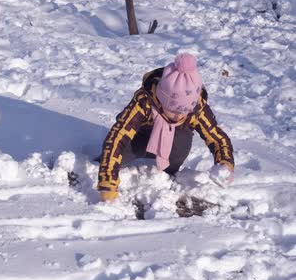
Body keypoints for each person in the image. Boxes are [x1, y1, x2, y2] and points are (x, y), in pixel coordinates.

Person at [96, 53, 234, 202]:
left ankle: (167, 174)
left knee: (183, 138)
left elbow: (217, 138)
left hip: (173, 142)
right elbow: (118, 135)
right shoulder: (144, 102)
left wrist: (225, 164)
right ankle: (99, 167)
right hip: (139, 138)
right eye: (173, 111)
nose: (177, 117)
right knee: (113, 158)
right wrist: (107, 182)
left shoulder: (196, 108)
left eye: (183, 112)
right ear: (161, 100)